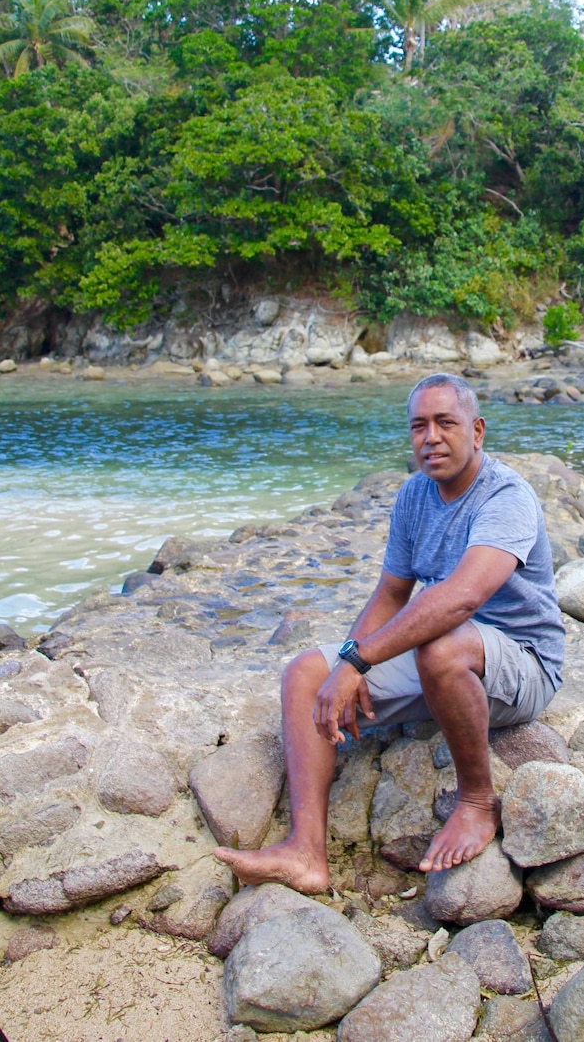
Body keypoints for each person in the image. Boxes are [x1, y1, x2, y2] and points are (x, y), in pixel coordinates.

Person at [214, 373, 565, 893]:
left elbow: (463, 597)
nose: (431, 438)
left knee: (441, 645)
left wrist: (361, 663)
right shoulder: (414, 496)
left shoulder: (507, 496)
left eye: (446, 423)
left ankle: (476, 801)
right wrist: (344, 668)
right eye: (419, 426)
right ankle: (305, 852)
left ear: (477, 431)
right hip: (444, 659)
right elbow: (391, 593)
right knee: (307, 674)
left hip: (522, 665)